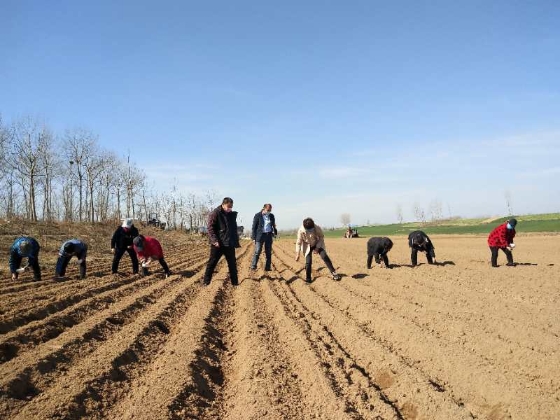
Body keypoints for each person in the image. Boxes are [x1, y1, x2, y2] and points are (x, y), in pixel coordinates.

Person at [203, 197, 241, 286]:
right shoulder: (215, 213)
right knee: (212, 263)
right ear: (223, 205)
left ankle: (235, 283)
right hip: (218, 244)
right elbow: (210, 228)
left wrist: (235, 240)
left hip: (229, 243)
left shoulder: (231, 215)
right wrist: (214, 240)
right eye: (228, 207)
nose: (230, 209)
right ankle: (206, 281)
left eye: (231, 207)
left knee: (232, 264)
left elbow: (233, 228)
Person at [295, 217, 341, 283]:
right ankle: (308, 278)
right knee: (308, 262)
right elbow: (298, 243)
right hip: (307, 245)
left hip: (317, 243)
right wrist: (297, 254)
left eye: (311, 229)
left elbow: (321, 237)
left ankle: (334, 273)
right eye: (309, 230)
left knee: (324, 256)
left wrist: (317, 247)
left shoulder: (316, 227)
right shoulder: (301, 230)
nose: (310, 231)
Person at [250, 203, 278, 271]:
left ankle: (268, 267)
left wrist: (275, 232)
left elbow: (273, 225)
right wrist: (253, 237)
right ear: (264, 208)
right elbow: (254, 227)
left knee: (268, 252)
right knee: (257, 251)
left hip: (268, 235)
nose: (269, 211)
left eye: (270, 210)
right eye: (268, 210)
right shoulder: (258, 215)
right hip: (260, 235)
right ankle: (253, 266)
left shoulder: (271, 216)